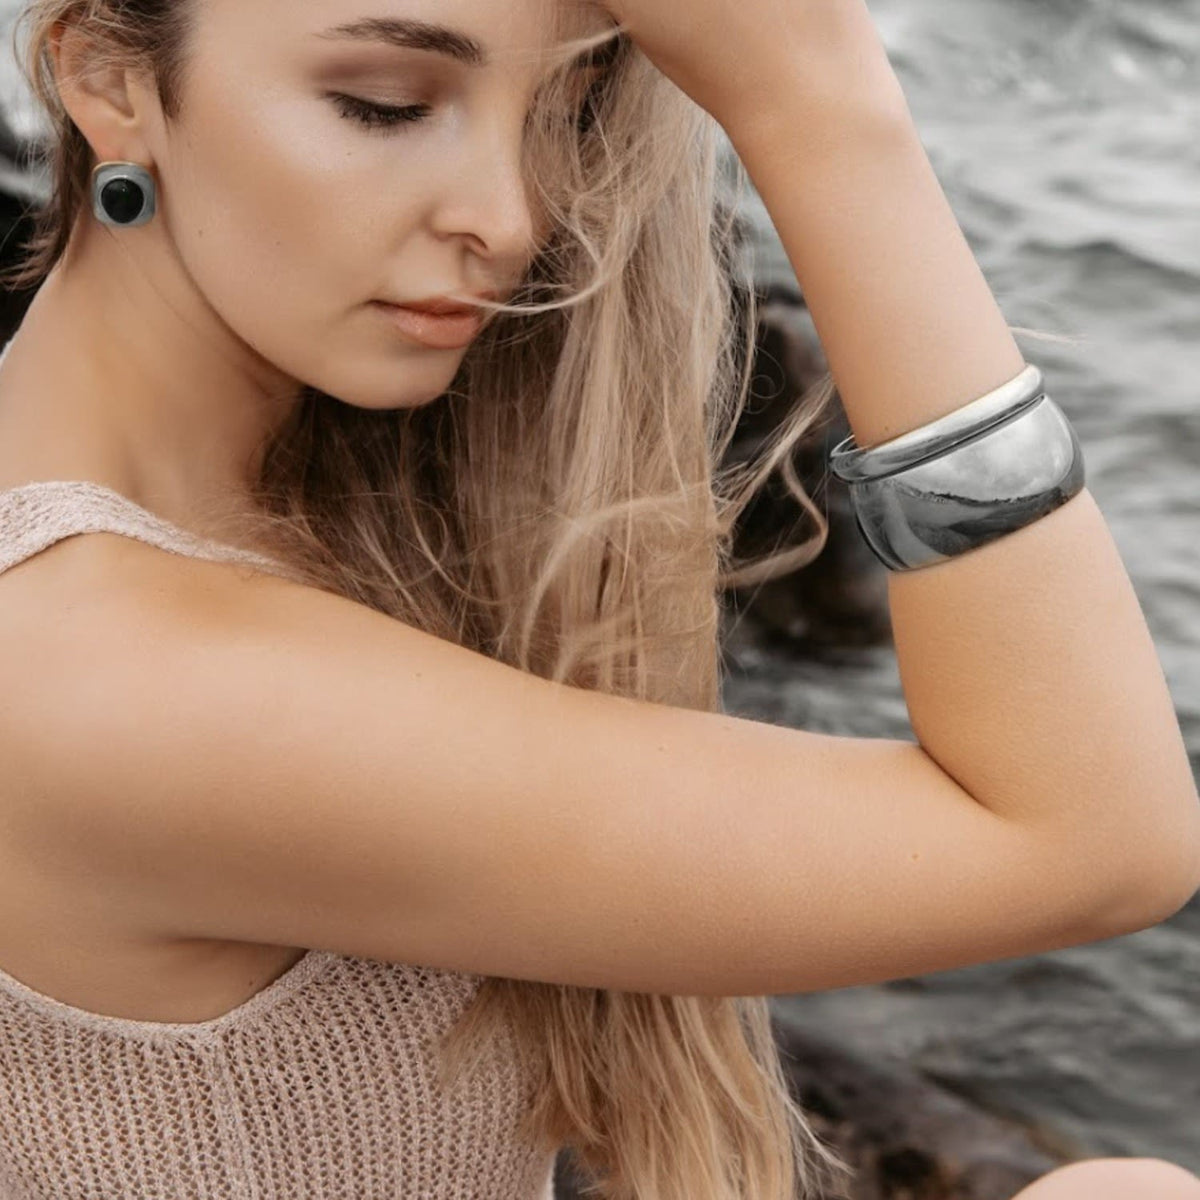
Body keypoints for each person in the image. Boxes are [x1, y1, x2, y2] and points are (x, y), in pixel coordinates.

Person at [0, 0, 1196, 1197]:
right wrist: (826, 111)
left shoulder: (185, 530)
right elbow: (1095, 843)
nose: (511, 220)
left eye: (568, 118)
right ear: (108, 79)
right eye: (385, 106)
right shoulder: (115, 676)